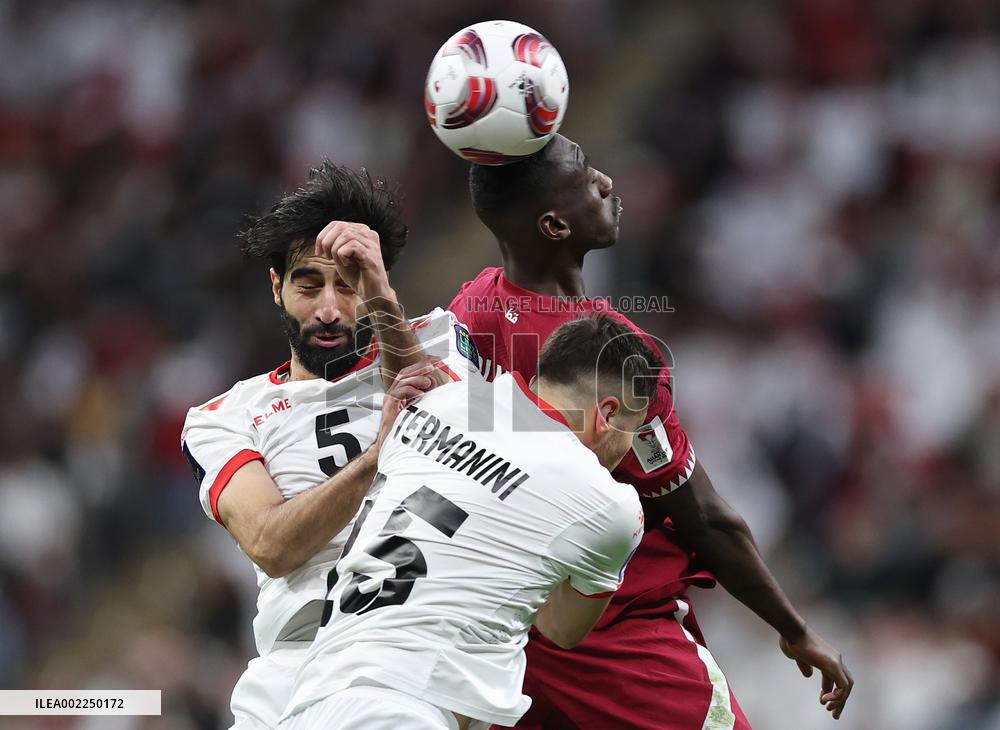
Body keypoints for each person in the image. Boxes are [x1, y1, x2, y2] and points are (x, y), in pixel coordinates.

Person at [448, 134, 854, 728]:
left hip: (513, 641)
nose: (607, 183)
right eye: (587, 177)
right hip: (619, 640)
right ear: (556, 226)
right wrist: (794, 629)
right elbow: (703, 516)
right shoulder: (613, 356)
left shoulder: (472, 310)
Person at [180, 162, 480, 730]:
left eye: (349, 284)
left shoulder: (441, 338)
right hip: (289, 664)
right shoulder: (222, 417)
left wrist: (383, 298)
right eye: (307, 284)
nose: (328, 310)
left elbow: (454, 447)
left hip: (407, 644)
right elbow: (271, 544)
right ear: (276, 286)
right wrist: (379, 456)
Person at [278, 314, 653, 730]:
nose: (624, 453)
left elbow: (461, 514)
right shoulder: (610, 502)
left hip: (313, 693)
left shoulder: (438, 402)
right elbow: (561, 628)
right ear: (607, 414)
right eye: (631, 432)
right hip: (405, 709)